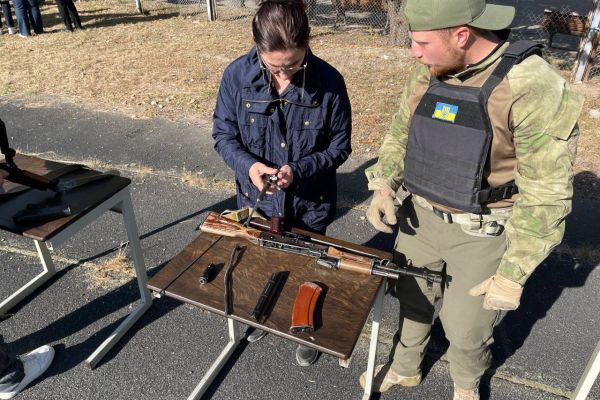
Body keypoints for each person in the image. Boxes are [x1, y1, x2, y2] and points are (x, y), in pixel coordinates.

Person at [360, 0, 583, 398]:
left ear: (462, 35)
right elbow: (401, 132)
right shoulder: (431, 68)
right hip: (420, 218)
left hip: (483, 232)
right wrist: (383, 185)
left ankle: (466, 384)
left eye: (422, 43)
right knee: (411, 299)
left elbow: (546, 192)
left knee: (467, 327)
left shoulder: (530, 85)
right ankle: (405, 367)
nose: (414, 52)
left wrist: (514, 271)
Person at [212, 0, 352, 367]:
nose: (285, 74)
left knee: (309, 269)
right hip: (257, 201)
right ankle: (263, 313)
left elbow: (340, 146)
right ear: (257, 47)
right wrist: (250, 167)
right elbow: (224, 136)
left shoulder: (329, 82)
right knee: (261, 261)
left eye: (294, 64)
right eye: (275, 66)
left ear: (308, 44)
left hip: (310, 202)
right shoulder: (236, 76)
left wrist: (299, 170)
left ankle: (305, 329)